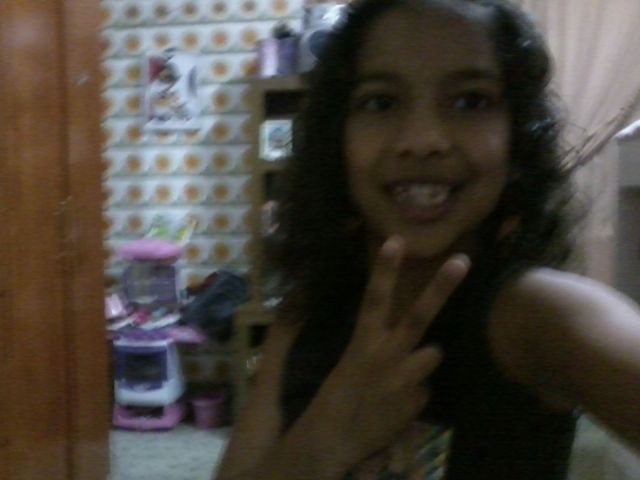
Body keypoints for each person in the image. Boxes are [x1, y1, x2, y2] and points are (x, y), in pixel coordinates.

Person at [215, 0, 640, 478]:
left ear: (516, 136)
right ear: (337, 137)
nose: (422, 139)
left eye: (470, 101)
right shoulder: (303, 315)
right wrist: (320, 444)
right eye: (381, 102)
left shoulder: (543, 316)